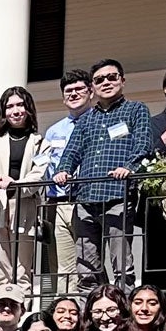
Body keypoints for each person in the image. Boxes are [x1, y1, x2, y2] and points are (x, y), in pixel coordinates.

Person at [53, 60, 156, 285]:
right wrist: (63, 170)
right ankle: (93, 310)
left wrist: (129, 168)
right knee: (86, 265)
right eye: (100, 80)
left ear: (122, 80)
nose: (106, 82)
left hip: (117, 194)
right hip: (86, 198)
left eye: (112, 77)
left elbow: (144, 146)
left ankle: (123, 309)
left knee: (121, 263)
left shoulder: (136, 110)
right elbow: (71, 152)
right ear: (93, 87)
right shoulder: (86, 119)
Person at [0, 85, 46, 294]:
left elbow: (38, 175)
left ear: (28, 108)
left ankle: (23, 318)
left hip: (23, 207)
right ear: (3, 111)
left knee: (23, 270)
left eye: (20, 105)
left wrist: (16, 185)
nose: (15, 110)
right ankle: (1, 316)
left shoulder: (39, 141)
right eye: (10, 106)